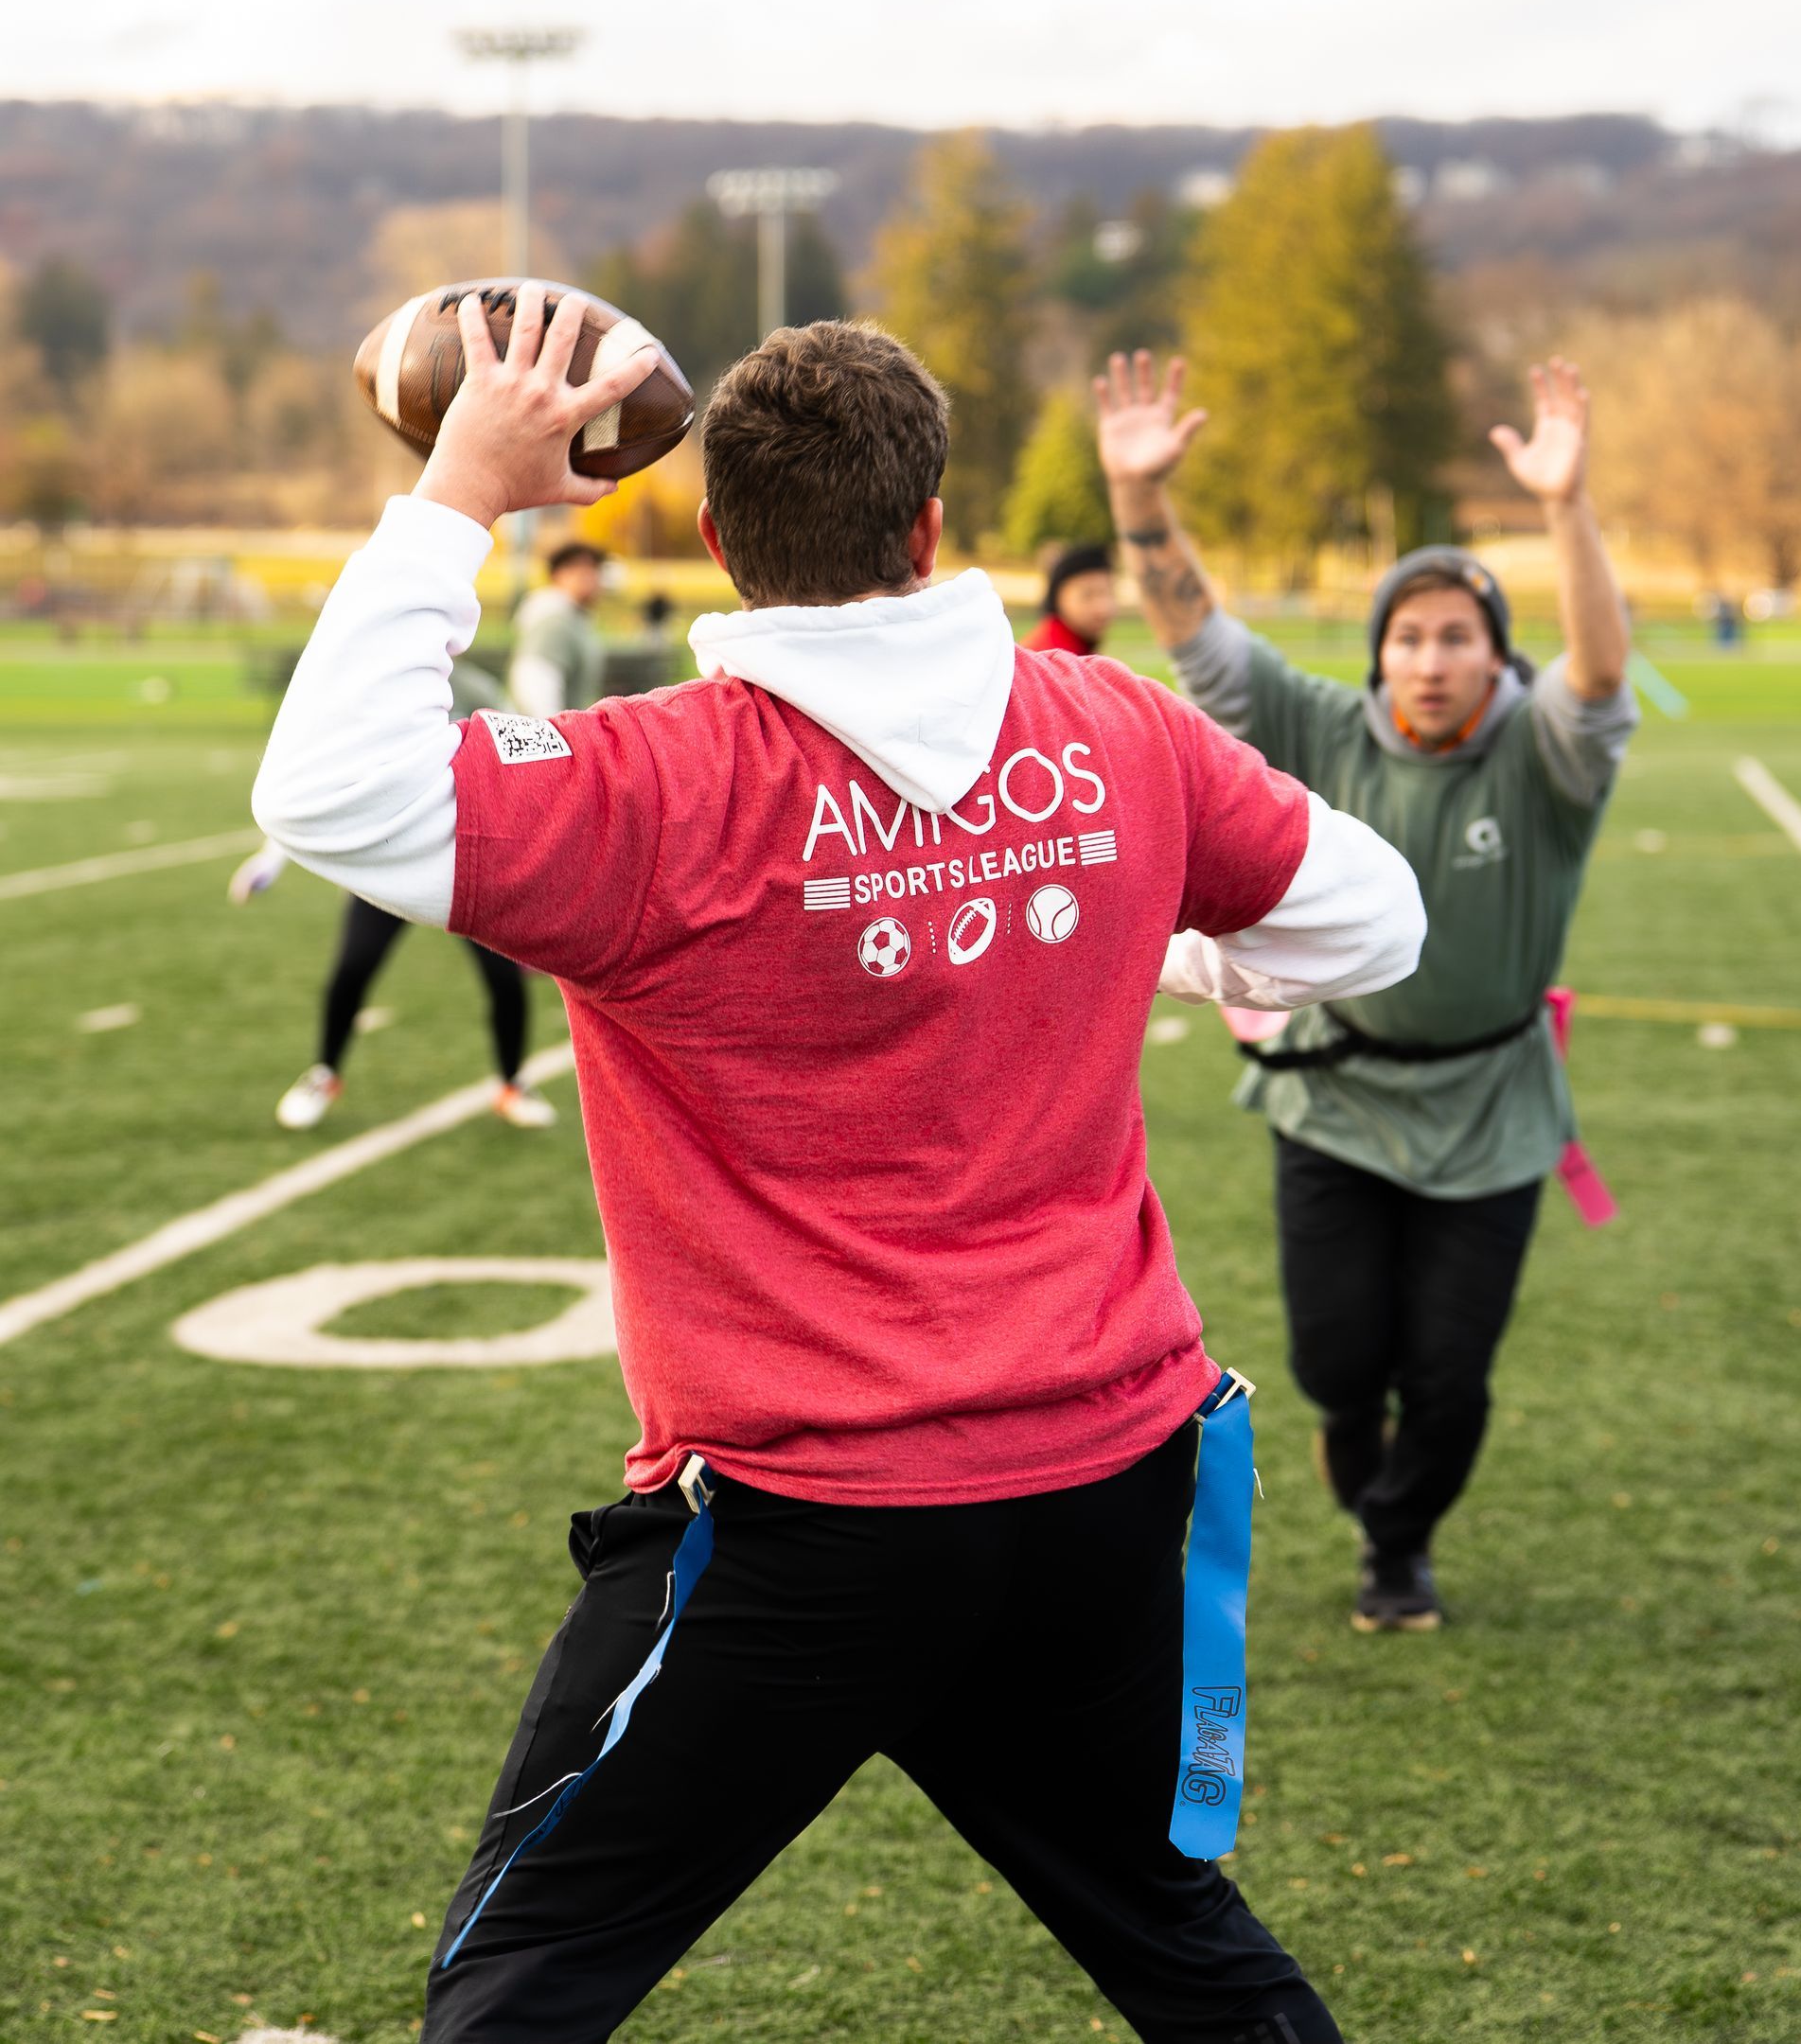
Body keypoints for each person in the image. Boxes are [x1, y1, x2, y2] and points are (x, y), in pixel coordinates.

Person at [253, 294, 1424, 2044]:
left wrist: (456, 500)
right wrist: (1152, 936)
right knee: (1176, 1939)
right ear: (932, 520)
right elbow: (1376, 921)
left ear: (720, 541)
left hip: (811, 1517)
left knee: (524, 1979)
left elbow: (333, 792)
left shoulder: (659, 784)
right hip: (1102, 1479)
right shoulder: (1119, 728)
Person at [1097, 349, 1637, 1634]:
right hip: (1333, 1102)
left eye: (1460, 635)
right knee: (1337, 1361)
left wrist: (1565, 506)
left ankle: (1400, 1542)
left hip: (1495, 1108)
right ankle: (1365, 1469)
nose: (1432, 657)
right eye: (1410, 634)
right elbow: (1199, 638)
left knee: (1448, 1375)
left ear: (1499, 658)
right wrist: (1139, 500)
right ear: (1381, 650)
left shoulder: (1547, 759)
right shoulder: (1325, 728)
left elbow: (1603, 676)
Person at [232, 661, 558, 1133]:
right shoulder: (375, 695)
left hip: (466, 859)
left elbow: (526, 752)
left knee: (503, 979)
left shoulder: (476, 688)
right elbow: (328, 781)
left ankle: (512, 1083)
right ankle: (323, 1073)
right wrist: (271, 857)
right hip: (393, 862)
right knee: (353, 968)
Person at [507, 541, 609, 716]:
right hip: (554, 736)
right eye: (579, 569)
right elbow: (535, 686)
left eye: (594, 569)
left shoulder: (574, 620)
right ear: (557, 575)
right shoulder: (554, 623)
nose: (590, 577)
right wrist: (557, 736)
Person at [1026, 539, 1118, 653]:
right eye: (1087, 595)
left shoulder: (1077, 645)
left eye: (1109, 592)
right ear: (1058, 597)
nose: (1102, 608)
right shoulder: (1054, 656)